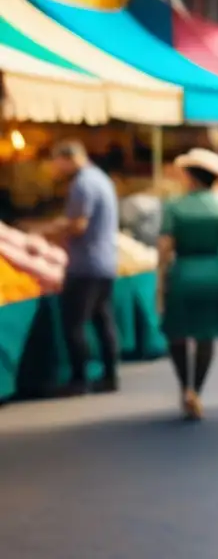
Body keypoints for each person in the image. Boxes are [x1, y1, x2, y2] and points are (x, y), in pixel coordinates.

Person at [159, 149, 218, 420]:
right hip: (214, 273)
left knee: (177, 334)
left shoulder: (174, 206)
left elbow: (164, 250)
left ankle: (184, 385)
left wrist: (161, 284)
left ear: (191, 177)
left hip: (183, 272)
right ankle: (197, 390)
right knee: (205, 336)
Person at [47, 140, 120, 396]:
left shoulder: (83, 184)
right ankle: (110, 375)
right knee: (102, 319)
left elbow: (78, 225)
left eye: (57, 162)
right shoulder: (101, 179)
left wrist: (53, 230)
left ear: (68, 158)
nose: (56, 169)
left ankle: (80, 378)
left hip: (86, 263)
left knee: (74, 323)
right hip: (106, 260)